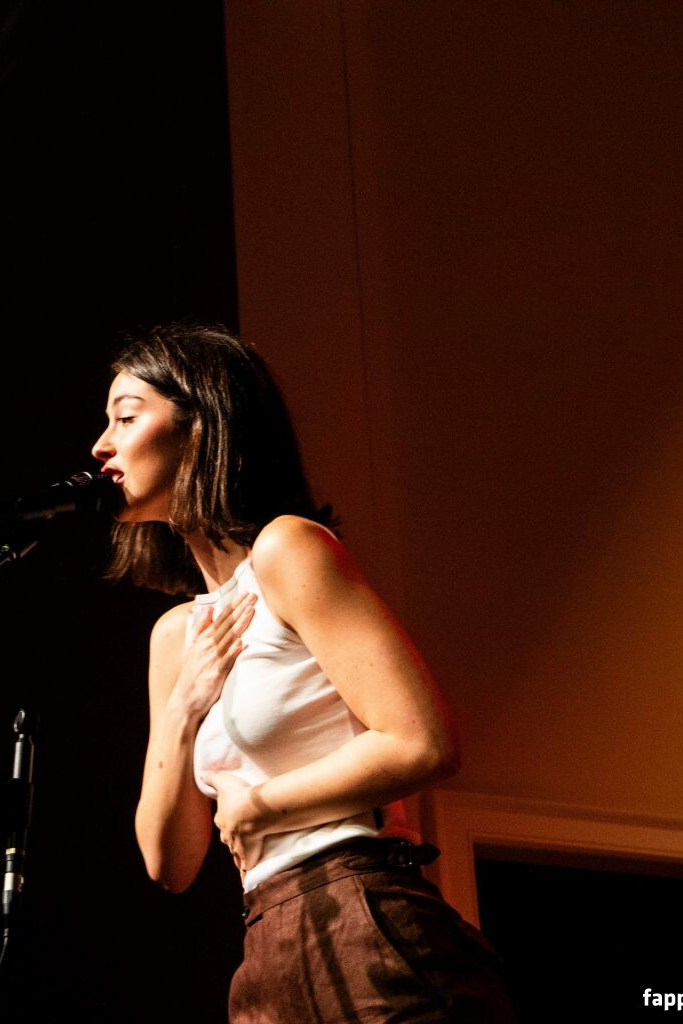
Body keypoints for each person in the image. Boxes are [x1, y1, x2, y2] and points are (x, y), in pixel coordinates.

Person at [91, 324, 515, 1023]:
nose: (101, 446)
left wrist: (261, 806)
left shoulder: (288, 550)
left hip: (363, 906)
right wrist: (183, 706)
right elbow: (169, 864)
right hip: (267, 938)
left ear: (202, 423)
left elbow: (424, 742)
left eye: (126, 417)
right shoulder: (174, 638)